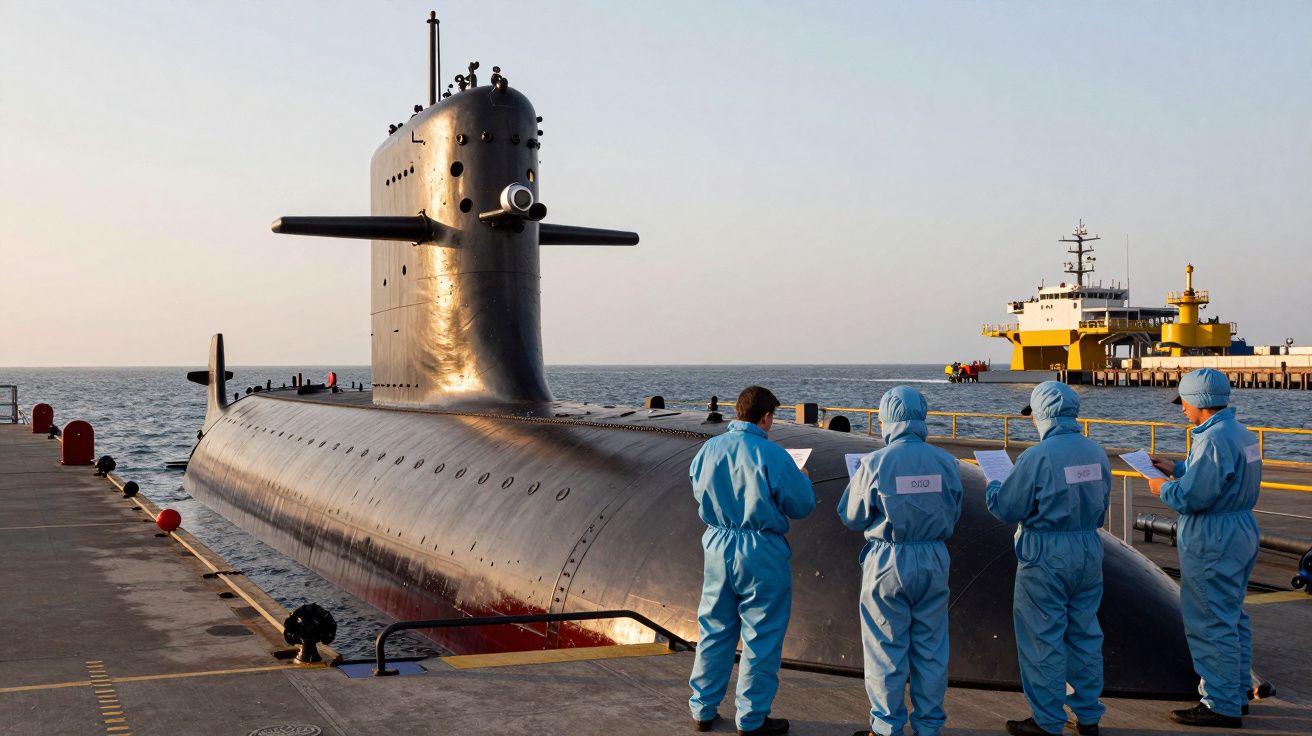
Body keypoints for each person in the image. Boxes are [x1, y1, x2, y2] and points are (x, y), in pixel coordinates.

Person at [687, 385, 816, 736]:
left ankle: (702, 709)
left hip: (717, 544)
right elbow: (801, 506)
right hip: (760, 549)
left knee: (714, 629)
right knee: (761, 634)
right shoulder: (773, 456)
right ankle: (751, 718)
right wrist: (802, 479)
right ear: (766, 416)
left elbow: (698, 488)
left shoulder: (709, 449)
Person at [985, 382, 1110, 736]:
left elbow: (1008, 508)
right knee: (1085, 633)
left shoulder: (1036, 458)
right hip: (1087, 548)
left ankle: (1047, 721)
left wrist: (994, 486)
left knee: (1042, 637)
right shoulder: (1096, 452)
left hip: (1046, 554)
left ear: (1041, 415)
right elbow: (1102, 503)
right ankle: (1088, 716)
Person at [838, 386, 963, 736]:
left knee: (885, 647)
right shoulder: (945, 462)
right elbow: (954, 512)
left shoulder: (876, 463)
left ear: (886, 420)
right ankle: (929, 726)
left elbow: (851, 516)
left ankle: (887, 727)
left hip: (889, 561)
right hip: (934, 557)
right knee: (932, 647)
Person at [1147, 368, 1260, 728]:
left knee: (1209, 619)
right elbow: (1225, 475)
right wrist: (1178, 466)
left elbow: (1194, 496)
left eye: (1183, 402)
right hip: (1240, 527)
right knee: (1231, 614)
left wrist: (1161, 487)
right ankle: (1237, 691)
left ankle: (1221, 704)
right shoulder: (1240, 433)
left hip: (1214, 535)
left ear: (1198, 401)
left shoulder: (1211, 440)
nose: (1181, 409)